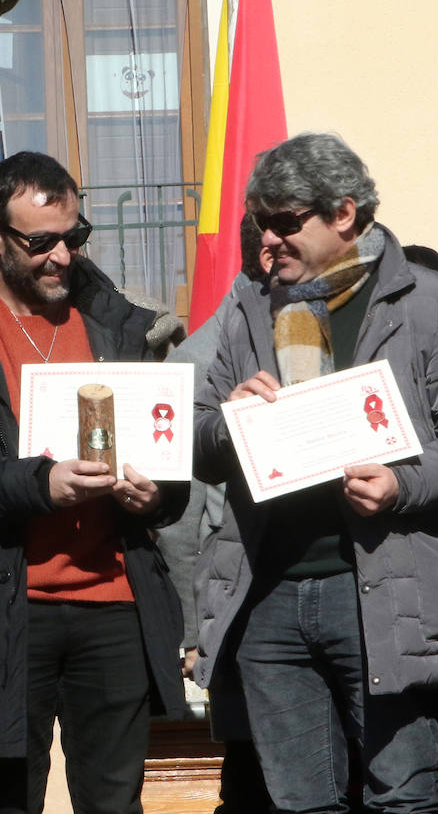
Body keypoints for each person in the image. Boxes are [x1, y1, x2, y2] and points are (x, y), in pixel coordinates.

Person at [193, 132, 438, 814]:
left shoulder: (433, 302)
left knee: (405, 795)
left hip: (385, 589)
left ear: (344, 214)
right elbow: (199, 434)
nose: (267, 239)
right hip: (267, 596)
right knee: (299, 804)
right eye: (259, 222)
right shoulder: (248, 305)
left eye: (285, 221)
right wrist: (228, 423)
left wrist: (401, 483)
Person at [0, 151, 186, 814]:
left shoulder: (122, 328)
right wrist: (40, 485)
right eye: (41, 242)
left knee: (115, 803)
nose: (62, 256)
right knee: (8, 800)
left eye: (74, 236)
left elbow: (168, 459)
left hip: (116, 603)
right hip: (2, 607)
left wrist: (157, 493)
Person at [157, 211, 271, 813]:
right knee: (253, 776)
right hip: (238, 609)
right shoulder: (199, 362)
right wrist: (192, 632)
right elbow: (178, 521)